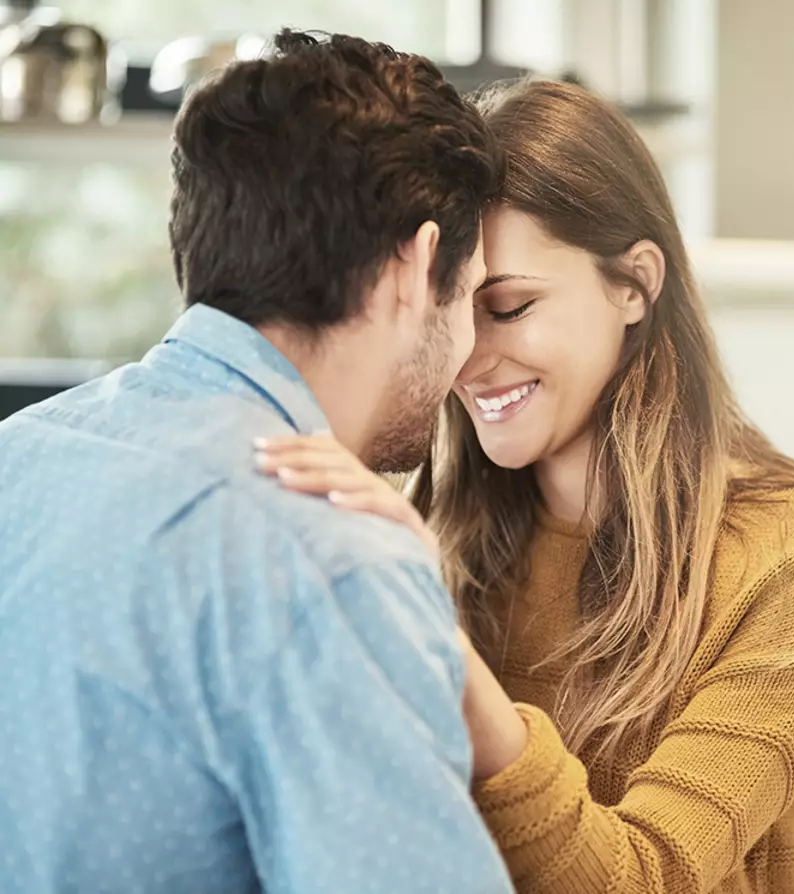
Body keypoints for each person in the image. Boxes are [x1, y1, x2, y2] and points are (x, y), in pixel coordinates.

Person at [261, 79, 794, 894]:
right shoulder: (438, 533)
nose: (466, 357)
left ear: (633, 283)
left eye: (513, 306)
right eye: (450, 313)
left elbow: (647, 879)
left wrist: (426, 630)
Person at [0, 30, 514, 894]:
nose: (471, 354)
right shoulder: (332, 559)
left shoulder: (18, 457)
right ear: (415, 265)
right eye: (475, 296)